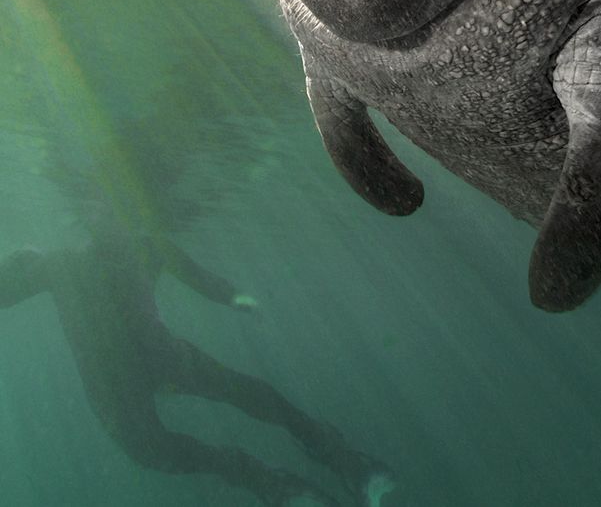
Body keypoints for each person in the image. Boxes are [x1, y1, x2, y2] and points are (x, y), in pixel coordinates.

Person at [0, 211, 395, 507]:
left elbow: (203, 280)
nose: (110, 223)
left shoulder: (132, 249)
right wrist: (20, 264)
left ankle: (328, 453)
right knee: (155, 448)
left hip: (151, 362)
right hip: (130, 375)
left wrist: (238, 298)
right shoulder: (68, 263)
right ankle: (259, 474)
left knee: (240, 397)